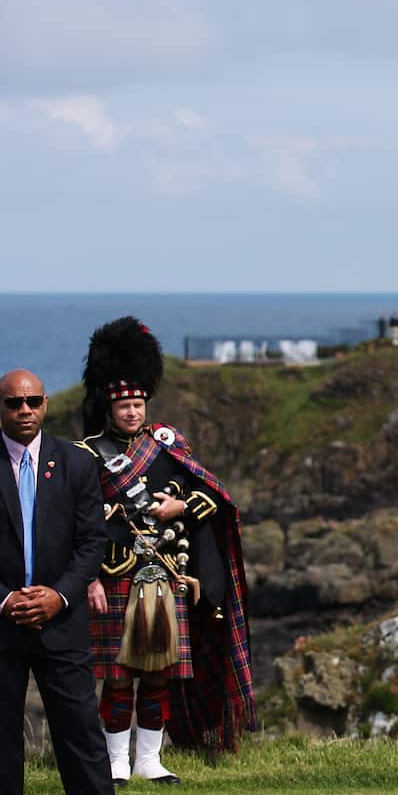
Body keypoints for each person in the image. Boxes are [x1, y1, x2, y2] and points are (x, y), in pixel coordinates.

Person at [77, 317, 255, 786]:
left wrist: (180, 506)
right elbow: (75, 520)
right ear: (108, 406)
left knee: (158, 675)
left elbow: (214, 496)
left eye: (138, 404)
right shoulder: (87, 453)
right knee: (117, 677)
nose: (132, 413)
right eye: (124, 405)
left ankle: (149, 760)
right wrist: (89, 578)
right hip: (115, 573)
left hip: (166, 573)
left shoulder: (169, 446)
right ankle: (115, 762)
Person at [0, 369, 114, 794]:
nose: (24, 410)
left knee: (81, 735)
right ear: (1, 408)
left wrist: (60, 595)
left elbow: (92, 543)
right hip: (2, 622)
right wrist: (6, 599)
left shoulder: (76, 463)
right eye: (13, 403)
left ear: (45, 405)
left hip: (62, 623)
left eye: (32, 402)